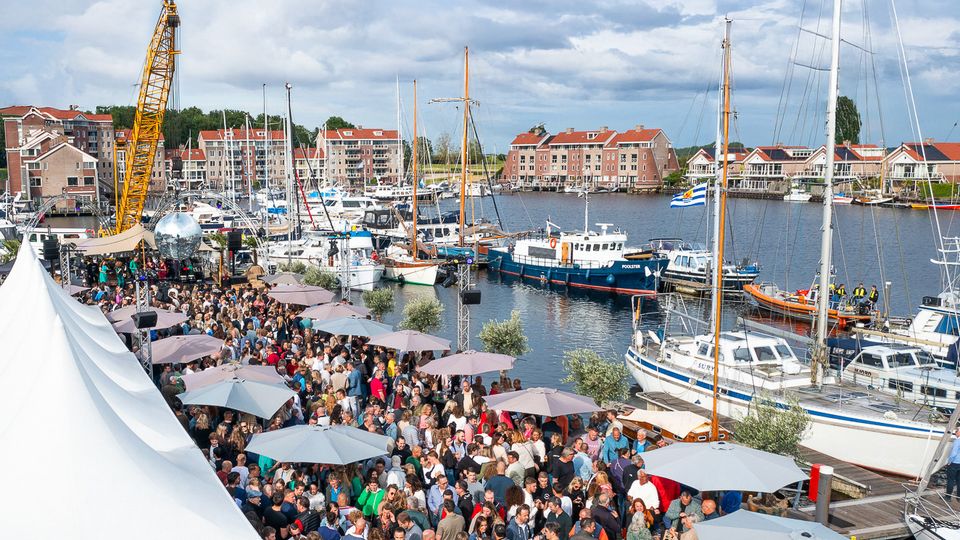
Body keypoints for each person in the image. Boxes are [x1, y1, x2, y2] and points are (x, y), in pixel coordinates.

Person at [947, 427, 960, 498]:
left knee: (950, 480)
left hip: (954, 463)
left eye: (957, 431)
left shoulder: (957, 441)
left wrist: (949, 461)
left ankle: (948, 497)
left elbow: (954, 453)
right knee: (959, 481)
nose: (955, 432)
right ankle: (959, 497)